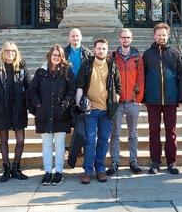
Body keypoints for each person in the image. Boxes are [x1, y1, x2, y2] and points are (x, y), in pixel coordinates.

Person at [27, 44, 76, 186]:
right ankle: (48, 172)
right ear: (50, 56)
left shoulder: (67, 71)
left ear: (62, 57)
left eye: (59, 55)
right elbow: (33, 90)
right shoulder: (41, 72)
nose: (56, 57)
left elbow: (72, 90)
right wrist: (38, 104)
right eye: (54, 54)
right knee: (47, 145)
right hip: (44, 113)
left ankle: (59, 172)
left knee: (60, 145)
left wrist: (65, 104)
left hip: (61, 113)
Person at [143, 23, 182, 174]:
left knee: (171, 131)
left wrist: (181, 98)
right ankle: (155, 162)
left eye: (164, 35)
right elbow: (142, 76)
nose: (161, 37)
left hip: (170, 100)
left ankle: (171, 162)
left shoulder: (175, 53)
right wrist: (143, 97)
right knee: (153, 131)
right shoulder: (147, 54)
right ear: (154, 36)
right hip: (153, 100)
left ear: (168, 36)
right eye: (159, 35)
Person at [75, 39, 121, 184]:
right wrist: (78, 104)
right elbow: (80, 85)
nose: (101, 51)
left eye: (104, 49)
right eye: (99, 48)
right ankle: (88, 171)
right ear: (94, 49)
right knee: (90, 142)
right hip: (90, 111)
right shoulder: (87, 64)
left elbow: (118, 87)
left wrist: (115, 102)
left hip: (106, 111)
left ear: (107, 50)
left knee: (103, 141)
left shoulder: (112, 64)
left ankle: (100, 169)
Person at [0, 42, 30, 182]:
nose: (10, 53)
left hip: (18, 109)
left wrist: (25, 101)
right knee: (3, 140)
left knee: (20, 141)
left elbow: (29, 88)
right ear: (2, 53)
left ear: (16, 53)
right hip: (1, 109)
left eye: (12, 51)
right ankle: (6, 168)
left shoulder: (22, 68)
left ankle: (16, 167)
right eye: (7, 51)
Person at [106, 28, 144, 175]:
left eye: (128, 38)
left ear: (131, 39)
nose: (125, 40)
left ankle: (133, 161)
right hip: (118, 103)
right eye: (123, 37)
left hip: (132, 102)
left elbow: (141, 79)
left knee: (132, 134)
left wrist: (138, 99)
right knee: (115, 134)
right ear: (119, 39)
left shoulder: (137, 57)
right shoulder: (113, 57)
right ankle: (114, 162)